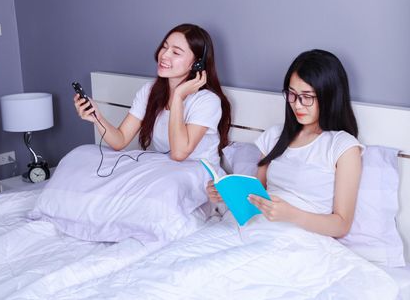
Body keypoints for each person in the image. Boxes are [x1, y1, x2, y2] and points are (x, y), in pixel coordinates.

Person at [207, 49, 362, 238]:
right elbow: (257, 195)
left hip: (299, 236)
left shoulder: (342, 146)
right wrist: (227, 195)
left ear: (329, 96)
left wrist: (292, 215)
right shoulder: (274, 136)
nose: (297, 104)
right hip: (256, 227)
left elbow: (341, 225)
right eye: (292, 94)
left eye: (307, 97)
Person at [74, 23, 231, 168]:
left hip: (199, 175)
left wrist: (177, 98)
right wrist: (97, 118)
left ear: (197, 63)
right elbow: (120, 140)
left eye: (176, 52)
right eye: (164, 47)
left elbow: (178, 153)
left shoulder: (207, 101)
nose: (164, 55)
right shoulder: (149, 91)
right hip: (164, 170)